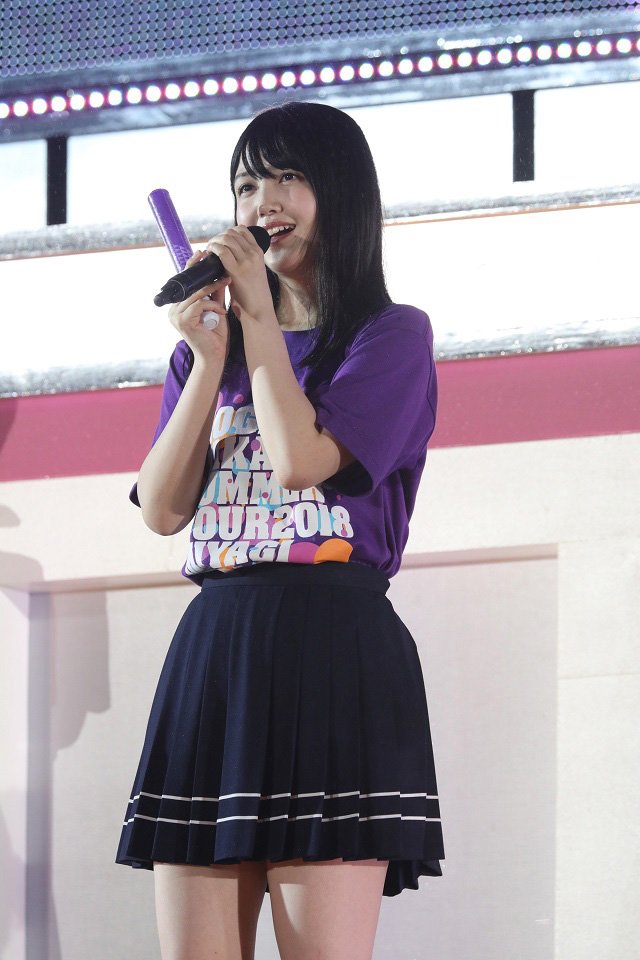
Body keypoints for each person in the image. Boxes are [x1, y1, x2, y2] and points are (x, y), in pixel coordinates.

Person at [116, 100, 444, 960]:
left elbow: (302, 461)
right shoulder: (211, 350)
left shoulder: (390, 336)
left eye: (288, 177)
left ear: (341, 192)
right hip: (217, 652)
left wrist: (256, 319)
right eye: (246, 184)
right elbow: (162, 510)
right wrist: (208, 359)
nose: (262, 201)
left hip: (333, 648)